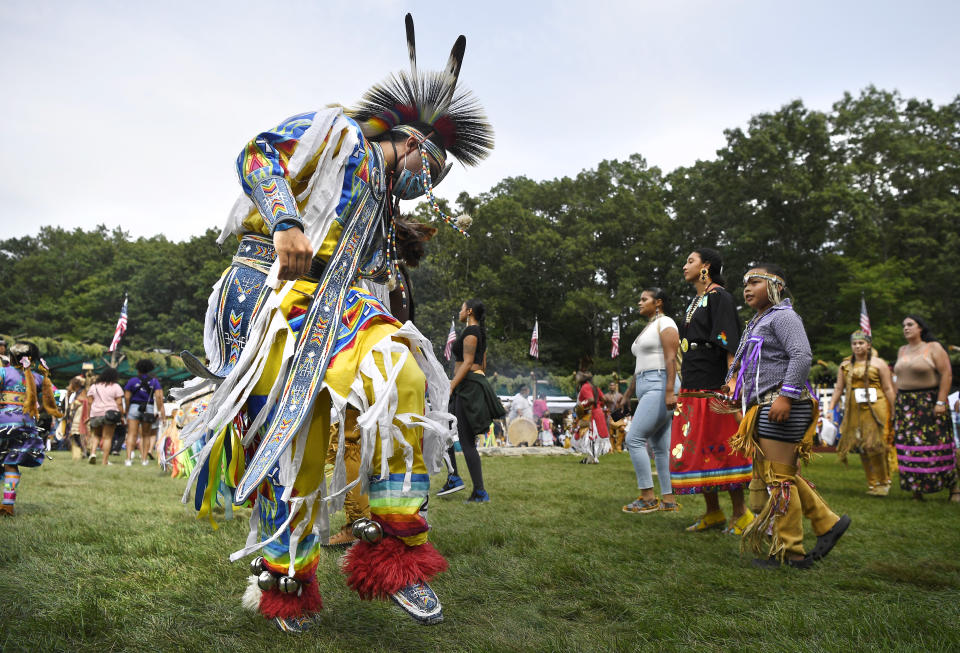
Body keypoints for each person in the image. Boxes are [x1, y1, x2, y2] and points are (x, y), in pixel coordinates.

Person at [171, 14, 493, 632]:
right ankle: (287, 582)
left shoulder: (380, 200)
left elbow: (368, 263)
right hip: (270, 293)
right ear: (417, 143)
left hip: (338, 304)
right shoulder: (339, 132)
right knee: (291, 441)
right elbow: (257, 152)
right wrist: (287, 222)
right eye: (436, 168)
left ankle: (395, 547)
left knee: (407, 376)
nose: (429, 184)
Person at [726, 264, 849, 569]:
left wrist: (786, 394)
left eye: (754, 281)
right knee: (781, 474)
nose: (747, 287)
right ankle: (827, 523)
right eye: (745, 283)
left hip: (782, 404)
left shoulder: (783, 316)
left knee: (780, 480)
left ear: (775, 286)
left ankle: (791, 552)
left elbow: (802, 355)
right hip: (766, 405)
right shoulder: (759, 320)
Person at [670, 248, 753, 534]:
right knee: (700, 443)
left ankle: (741, 513)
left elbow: (729, 340)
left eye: (690, 261)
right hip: (693, 379)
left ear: (705, 266)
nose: (685, 266)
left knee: (722, 442)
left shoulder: (720, 297)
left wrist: (731, 381)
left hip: (713, 379)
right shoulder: (697, 300)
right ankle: (714, 512)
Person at [619, 288, 680, 514]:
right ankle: (669, 499)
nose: (639, 302)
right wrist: (627, 395)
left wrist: (669, 391)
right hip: (646, 383)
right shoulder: (648, 327)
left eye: (644, 299)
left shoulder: (666, 323)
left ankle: (647, 497)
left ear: (659, 302)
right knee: (660, 447)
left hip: (661, 382)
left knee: (633, 438)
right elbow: (640, 366)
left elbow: (671, 357)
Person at [437, 299, 504, 502]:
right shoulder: (478, 333)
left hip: (466, 387)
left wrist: (451, 386)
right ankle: (454, 476)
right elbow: (482, 363)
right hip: (465, 386)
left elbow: (468, 363)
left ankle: (479, 491)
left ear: (470, 311)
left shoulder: (472, 333)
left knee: (465, 441)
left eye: (462, 308)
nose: (460, 311)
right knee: (446, 429)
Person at [892, 315, 955, 500]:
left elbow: (946, 374)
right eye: (903, 325)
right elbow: (898, 380)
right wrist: (896, 405)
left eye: (910, 324)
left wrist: (941, 401)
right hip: (905, 404)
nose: (906, 328)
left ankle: (954, 488)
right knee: (910, 447)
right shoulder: (901, 350)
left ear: (921, 328)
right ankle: (916, 490)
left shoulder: (933, 347)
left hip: (928, 402)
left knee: (937, 445)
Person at [828, 331, 896, 496]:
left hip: (876, 407)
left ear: (868, 345)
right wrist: (831, 408)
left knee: (875, 445)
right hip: (854, 408)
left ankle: (883, 481)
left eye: (861, 343)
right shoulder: (845, 365)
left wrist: (893, 409)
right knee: (863, 447)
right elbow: (838, 388)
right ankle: (872, 483)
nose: (857, 346)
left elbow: (888, 388)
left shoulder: (879, 364)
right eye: (854, 344)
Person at [0, 342, 61, 515]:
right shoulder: (37, 377)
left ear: (11, 357)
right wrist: (36, 409)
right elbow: (55, 395)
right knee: (11, 463)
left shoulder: (3, 372)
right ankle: (7, 505)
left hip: (2, 422)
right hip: (25, 425)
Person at [123, 359, 165, 466]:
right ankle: (144, 460)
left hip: (134, 407)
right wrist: (160, 411)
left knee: (132, 434)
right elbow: (159, 397)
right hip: (148, 408)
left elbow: (127, 396)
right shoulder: (154, 381)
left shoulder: (132, 381)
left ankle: (128, 459)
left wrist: (127, 408)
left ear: (138, 369)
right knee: (146, 435)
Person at [574, 360, 610, 464]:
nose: (576, 378)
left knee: (588, 436)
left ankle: (592, 458)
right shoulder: (595, 387)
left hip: (591, 414)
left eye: (578, 377)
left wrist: (581, 406)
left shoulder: (585, 387)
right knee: (594, 436)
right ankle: (592, 458)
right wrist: (600, 406)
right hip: (598, 412)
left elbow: (590, 400)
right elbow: (603, 398)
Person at [87, 367, 125, 466]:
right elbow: (119, 402)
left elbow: (89, 402)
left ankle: (93, 453)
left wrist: (88, 415)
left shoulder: (94, 386)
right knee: (107, 438)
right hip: (110, 414)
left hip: (95, 413)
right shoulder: (116, 386)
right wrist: (121, 415)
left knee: (96, 435)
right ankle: (105, 461)